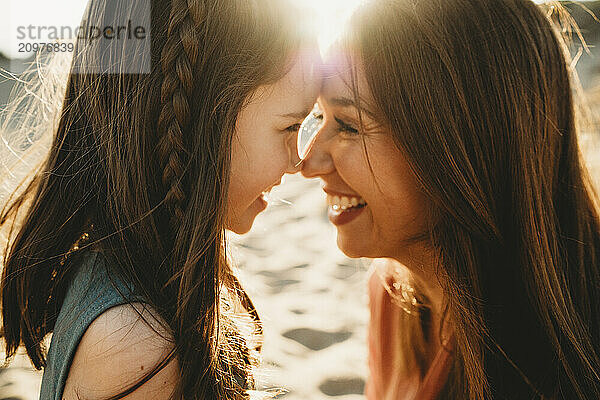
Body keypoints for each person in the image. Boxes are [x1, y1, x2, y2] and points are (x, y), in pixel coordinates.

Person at [0, 0, 320, 399]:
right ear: (197, 115)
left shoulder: (122, 269)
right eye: (291, 126)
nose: (299, 161)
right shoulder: (137, 346)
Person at [300, 0, 600, 398]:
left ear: (464, 147)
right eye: (319, 117)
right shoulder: (392, 294)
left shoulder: (572, 363)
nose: (309, 163)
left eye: (349, 125)